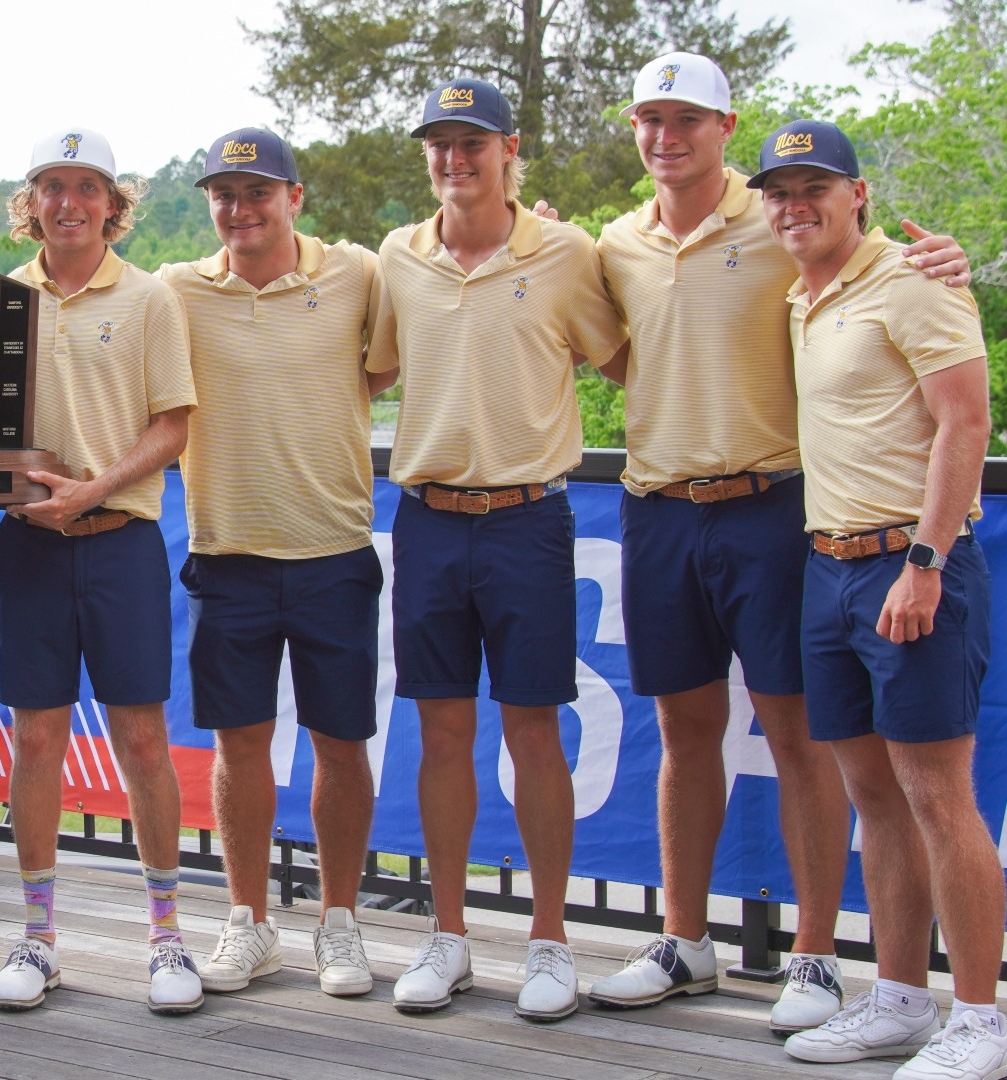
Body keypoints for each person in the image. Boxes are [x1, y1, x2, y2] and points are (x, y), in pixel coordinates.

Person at [587, 52, 972, 1033]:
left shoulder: (775, 225)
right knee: (682, 735)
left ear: (725, 127)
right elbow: (619, 351)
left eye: (688, 119)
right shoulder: (613, 244)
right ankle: (685, 941)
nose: (666, 136)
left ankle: (812, 959)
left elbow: (877, 264)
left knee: (799, 738)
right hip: (657, 507)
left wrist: (949, 261)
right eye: (650, 119)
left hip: (773, 509)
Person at [366, 78, 625, 1022]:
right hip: (427, 520)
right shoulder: (399, 256)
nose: (453, 158)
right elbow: (370, 365)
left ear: (509, 149)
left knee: (532, 729)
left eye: (472, 141)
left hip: (527, 518)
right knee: (439, 731)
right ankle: (448, 937)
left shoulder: (565, 251)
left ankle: (550, 943)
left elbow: (627, 353)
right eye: (438, 142)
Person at [751, 120, 1003, 1080]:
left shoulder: (914, 279)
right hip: (829, 567)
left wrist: (928, 561)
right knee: (872, 796)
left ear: (857, 193)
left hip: (914, 565)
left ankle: (979, 1017)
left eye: (815, 186)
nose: (795, 204)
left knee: (940, 795)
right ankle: (900, 998)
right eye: (780, 190)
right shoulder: (800, 294)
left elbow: (965, 420)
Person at [155, 127, 382, 1001]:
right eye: (224, 194)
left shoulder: (356, 274)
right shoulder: (178, 289)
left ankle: (339, 925)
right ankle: (249, 923)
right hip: (228, 555)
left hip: (334, 550)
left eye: (258, 192)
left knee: (341, 743)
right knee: (238, 745)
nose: (240, 209)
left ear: (295, 197)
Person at [0, 127, 198, 1014]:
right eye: (50, 186)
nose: (68, 202)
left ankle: (167, 935)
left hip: (120, 541)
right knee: (36, 741)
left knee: (142, 741)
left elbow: (172, 425)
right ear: (29, 202)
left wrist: (92, 489)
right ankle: (37, 939)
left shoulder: (149, 298)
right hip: (30, 546)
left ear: (115, 203)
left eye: (87, 187)